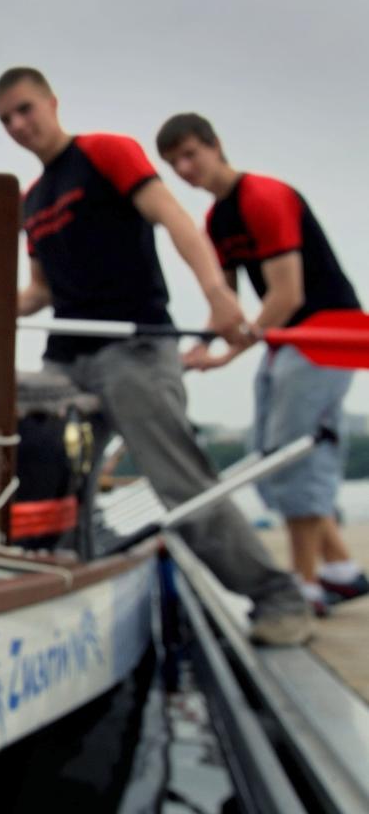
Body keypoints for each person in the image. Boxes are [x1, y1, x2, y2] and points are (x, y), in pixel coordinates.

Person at [0, 67, 312, 645]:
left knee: (179, 482)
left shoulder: (105, 153)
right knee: (6, 415)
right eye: (6, 119)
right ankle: (48, 560)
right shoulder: (30, 201)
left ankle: (277, 596)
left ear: (52, 102)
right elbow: (38, 292)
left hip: (135, 349)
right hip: (66, 360)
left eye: (25, 109)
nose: (18, 125)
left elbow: (175, 217)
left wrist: (218, 296)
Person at [156, 112, 368, 616]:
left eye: (190, 154)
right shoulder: (217, 219)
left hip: (325, 334)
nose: (185, 169)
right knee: (266, 453)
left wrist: (230, 351)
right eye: (174, 163)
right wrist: (204, 345)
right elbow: (227, 299)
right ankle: (340, 571)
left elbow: (286, 293)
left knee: (294, 456)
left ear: (214, 146)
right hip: (285, 341)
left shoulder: (265, 197)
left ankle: (306, 585)